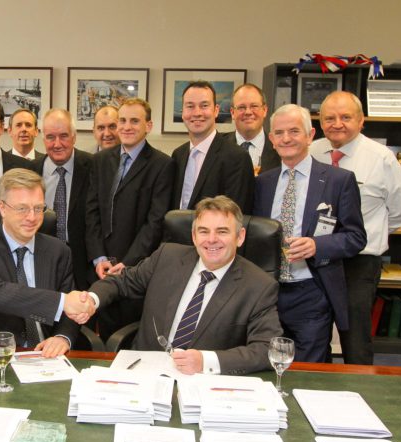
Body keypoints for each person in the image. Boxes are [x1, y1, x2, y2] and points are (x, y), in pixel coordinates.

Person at [88, 196, 283, 375]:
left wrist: (205, 361)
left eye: (222, 231)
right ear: (194, 236)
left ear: (240, 237)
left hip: (203, 382)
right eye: (203, 231)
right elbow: (121, 281)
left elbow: (267, 348)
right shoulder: (167, 256)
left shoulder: (259, 286)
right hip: (144, 372)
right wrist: (91, 300)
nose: (211, 239)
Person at [253, 104, 366, 362]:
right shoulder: (262, 183)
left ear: (310, 135)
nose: (286, 138)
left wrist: (318, 245)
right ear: (271, 139)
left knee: (310, 370)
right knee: (267, 364)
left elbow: (356, 237)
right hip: (268, 294)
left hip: (311, 291)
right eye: (279, 133)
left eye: (294, 131)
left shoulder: (339, 180)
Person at [311, 91, 401, 365]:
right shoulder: (311, 151)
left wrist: (368, 233)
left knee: (354, 338)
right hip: (316, 257)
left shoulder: (381, 158)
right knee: (314, 333)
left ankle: (360, 394)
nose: (337, 123)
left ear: (361, 121)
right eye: (329, 118)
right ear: (320, 122)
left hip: (358, 262)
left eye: (346, 117)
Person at [0, 168, 93, 357]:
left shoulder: (58, 251)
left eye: (38, 208)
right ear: (3, 208)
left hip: (43, 355)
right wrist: (62, 302)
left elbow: (69, 314)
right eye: (22, 208)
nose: (32, 217)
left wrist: (62, 337)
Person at [85, 98, 174, 339]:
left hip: (137, 267)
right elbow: (91, 211)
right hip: (101, 266)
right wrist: (98, 257)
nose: (126, 127)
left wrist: (129, 262)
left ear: (149, 125)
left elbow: (155, 221)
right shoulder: (101, 160)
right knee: (103, 336)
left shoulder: (162, 164)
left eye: (134, 121)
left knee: (131, 337)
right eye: (121, 121)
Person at [31, 109, 93, 290]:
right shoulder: (31, 170)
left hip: (82, 263)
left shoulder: (93, 166)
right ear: (43, 139)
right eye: (50, 137)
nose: (57, 144)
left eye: (63, 136)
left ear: (74, 137)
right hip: (40, 259)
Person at [171, 80, 255, 214]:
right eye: (190, 106)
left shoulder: (237, 158)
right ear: (183, 112)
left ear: (216, 111)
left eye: (204, 105)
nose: (197, 113)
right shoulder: (178, 155)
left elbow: (237, 216)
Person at [224, 84, 280, 175]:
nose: (248, 112)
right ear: (232, 112)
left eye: (254, 106)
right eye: (241, 107)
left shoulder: (280, 148)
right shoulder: (217, 146)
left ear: (265, 110)